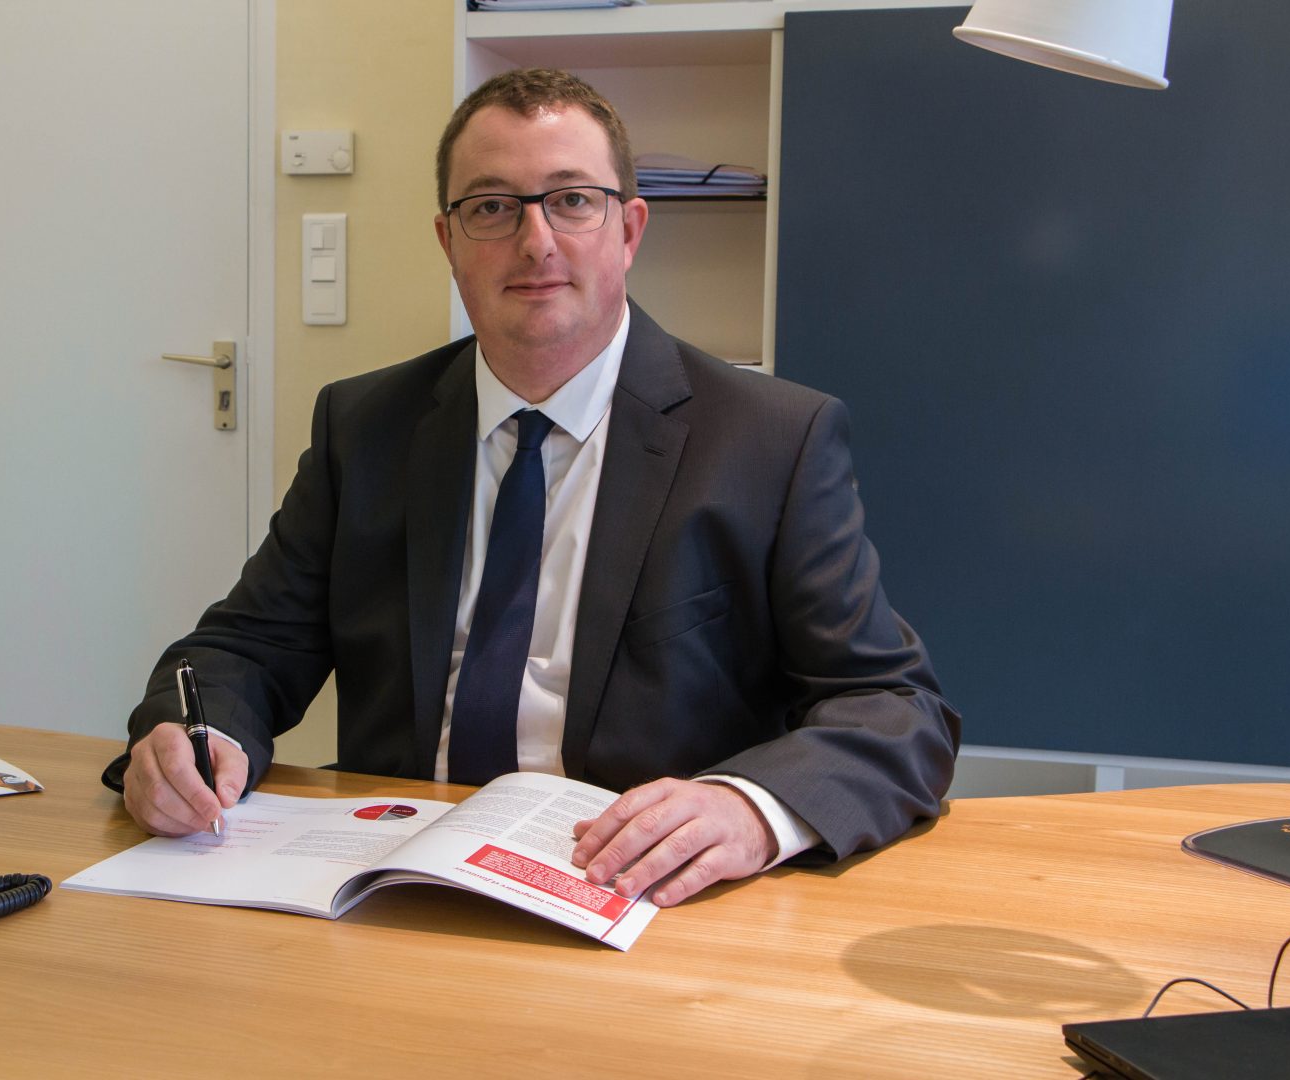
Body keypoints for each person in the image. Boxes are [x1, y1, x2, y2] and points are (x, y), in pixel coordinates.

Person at [102, 68, 959, 907]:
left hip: (636, 892)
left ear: (629, 229)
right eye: (491, 207)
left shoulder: (769, 438)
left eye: (572, 200)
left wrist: (750, 809)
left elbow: (894, 708)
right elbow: (244, 648)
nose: (536, 241)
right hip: (390, 880)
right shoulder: (365, 426)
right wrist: (193, 734)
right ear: (448, 241)